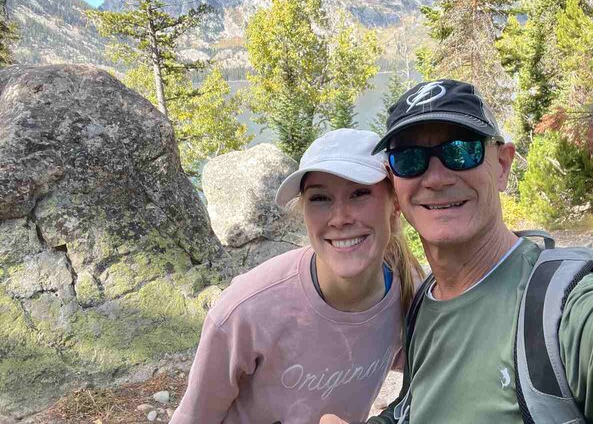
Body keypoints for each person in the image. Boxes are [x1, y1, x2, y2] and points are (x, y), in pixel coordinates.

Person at [321, 79, 593, 424]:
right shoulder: (427, 302)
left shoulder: (566, 311)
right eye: (410, 159)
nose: (437, 177)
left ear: (502, 164)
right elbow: (419, 404)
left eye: (461, 150)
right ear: (394, 183)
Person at [172, 128, 424, 424]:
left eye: (359, 193)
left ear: (394, 204)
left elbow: (434, 379)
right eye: (320, 198)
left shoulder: (409, 295)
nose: (340, 217)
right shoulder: (245, 312)